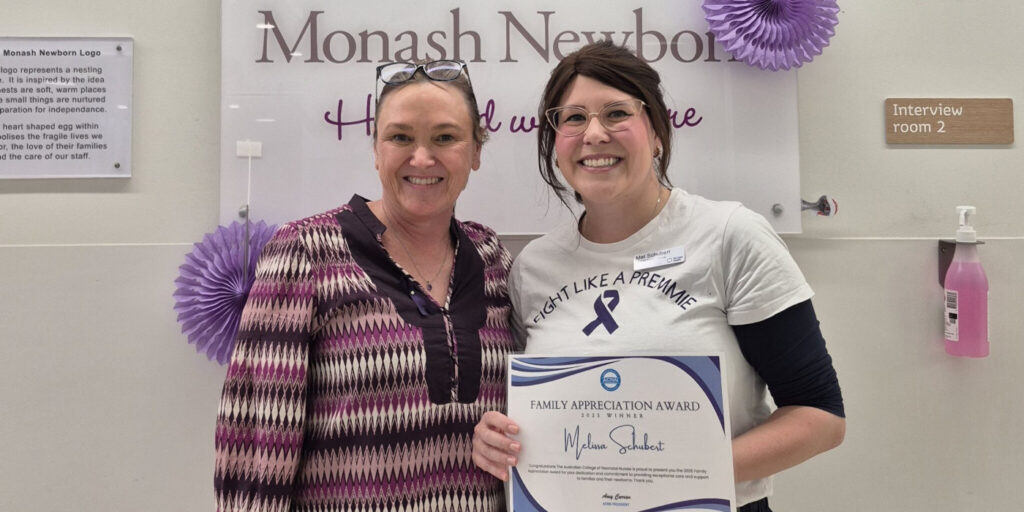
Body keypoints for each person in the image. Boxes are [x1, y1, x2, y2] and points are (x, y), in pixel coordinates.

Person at [471, 41, 845, 512]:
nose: (594, 134)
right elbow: (546, 412)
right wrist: (501, 438)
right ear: (555, 142)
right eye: (573, 118)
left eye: (616, 113)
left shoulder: (730, 237)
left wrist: (682, 473)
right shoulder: (534, 267)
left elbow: (821, 416)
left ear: (658, 134)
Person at [214, 60, 516, 512]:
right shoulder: (306, 252)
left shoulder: (491, 257)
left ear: (475, 152)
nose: (422, 158)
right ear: (376, 150)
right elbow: (257, 439)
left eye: (445, 137)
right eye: (400, 137)